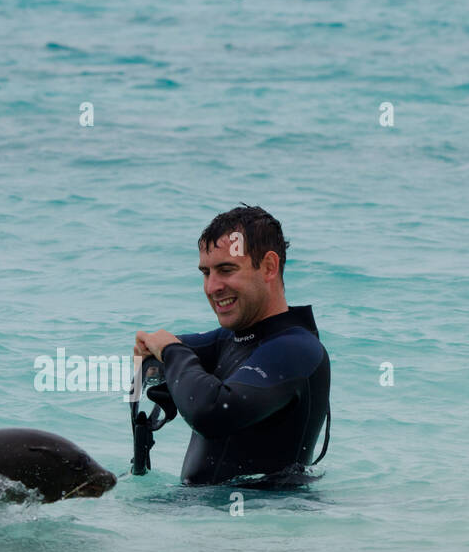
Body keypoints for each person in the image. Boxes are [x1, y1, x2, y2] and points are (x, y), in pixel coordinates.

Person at [133, 205, 330, 485]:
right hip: (206, 516)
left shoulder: (297, 349)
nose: (212, 287)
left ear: (269, 267)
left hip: (262, 520)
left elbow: (212, 412)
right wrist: (155, 355)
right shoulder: (231, 340)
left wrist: (170, 352)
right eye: (206, 273)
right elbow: (160, 354)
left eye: (226, 270)